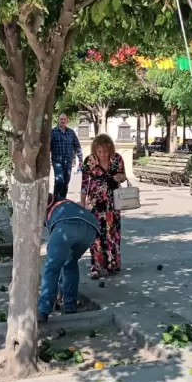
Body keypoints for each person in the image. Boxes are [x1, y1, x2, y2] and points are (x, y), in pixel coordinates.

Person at [38, 194, 100, 323]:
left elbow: (56, 260)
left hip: (66, 225)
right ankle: (70, 306)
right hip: (91, 227)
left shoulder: (47, 210)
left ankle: (43, 310)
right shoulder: (65, 203)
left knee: (52, 266)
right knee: (70, 263)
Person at [81, 133, 126, 279]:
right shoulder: (89, 161)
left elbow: (123, 176)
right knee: (96, 236)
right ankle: (96, 266)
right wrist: (82, 204)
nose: (103, 155)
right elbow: (84, 184)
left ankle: (112, 264)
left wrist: (119, 177)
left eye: (106, 151)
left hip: (113, 204)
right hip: (95, 204)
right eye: (99, 151)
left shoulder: (117, 159)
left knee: (112, 235)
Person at [50, 114, 84, 201]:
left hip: (68, 162)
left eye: (64, 119)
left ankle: (62, 199)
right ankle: (55, 199)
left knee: (66, 182)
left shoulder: (71, 132)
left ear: (67, 121)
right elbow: (48, 147)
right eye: (61, 119)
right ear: (58, 120)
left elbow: (77, 146)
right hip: (57, 161)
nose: (63, 121)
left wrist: (80, 159)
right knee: (59, 180)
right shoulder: (53, 132)